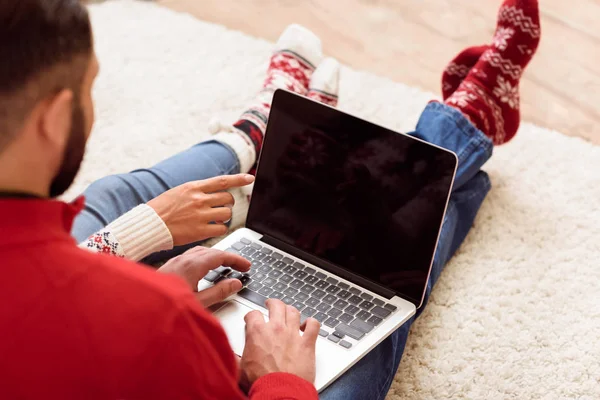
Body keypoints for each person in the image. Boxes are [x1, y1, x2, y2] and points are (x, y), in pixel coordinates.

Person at [0, 0, 540, 398]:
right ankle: (464, 123)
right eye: (91, 89)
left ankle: (257, 129)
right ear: (52, 119)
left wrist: (139, 242)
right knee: (379, 288)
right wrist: (278, 378)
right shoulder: (156, 323)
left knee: (117, 197)